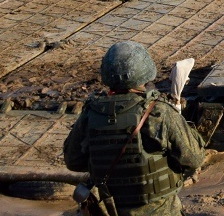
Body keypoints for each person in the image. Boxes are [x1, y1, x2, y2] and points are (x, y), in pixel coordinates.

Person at [64, 41, 206, 216]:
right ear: (145, 73)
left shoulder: (91, 114)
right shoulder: (159, 111)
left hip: (111, 210)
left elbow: (73, 161)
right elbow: (194, 158)